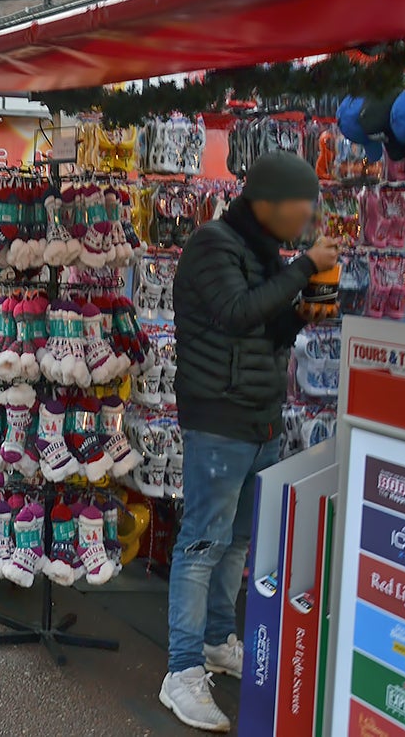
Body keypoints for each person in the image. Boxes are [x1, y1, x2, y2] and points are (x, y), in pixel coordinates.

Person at [158, 151, 339, 733]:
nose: (307, 216)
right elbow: (235, 314)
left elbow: (262, 329)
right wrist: (303, 266)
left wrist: (301, 310)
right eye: (301, 205)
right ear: (268, 203)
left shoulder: (261, 254)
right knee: (202, 544)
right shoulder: (213, 244)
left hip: (258, 417)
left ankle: (214, 640)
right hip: (218, 418)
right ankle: (180, 671)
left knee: (235, 543)